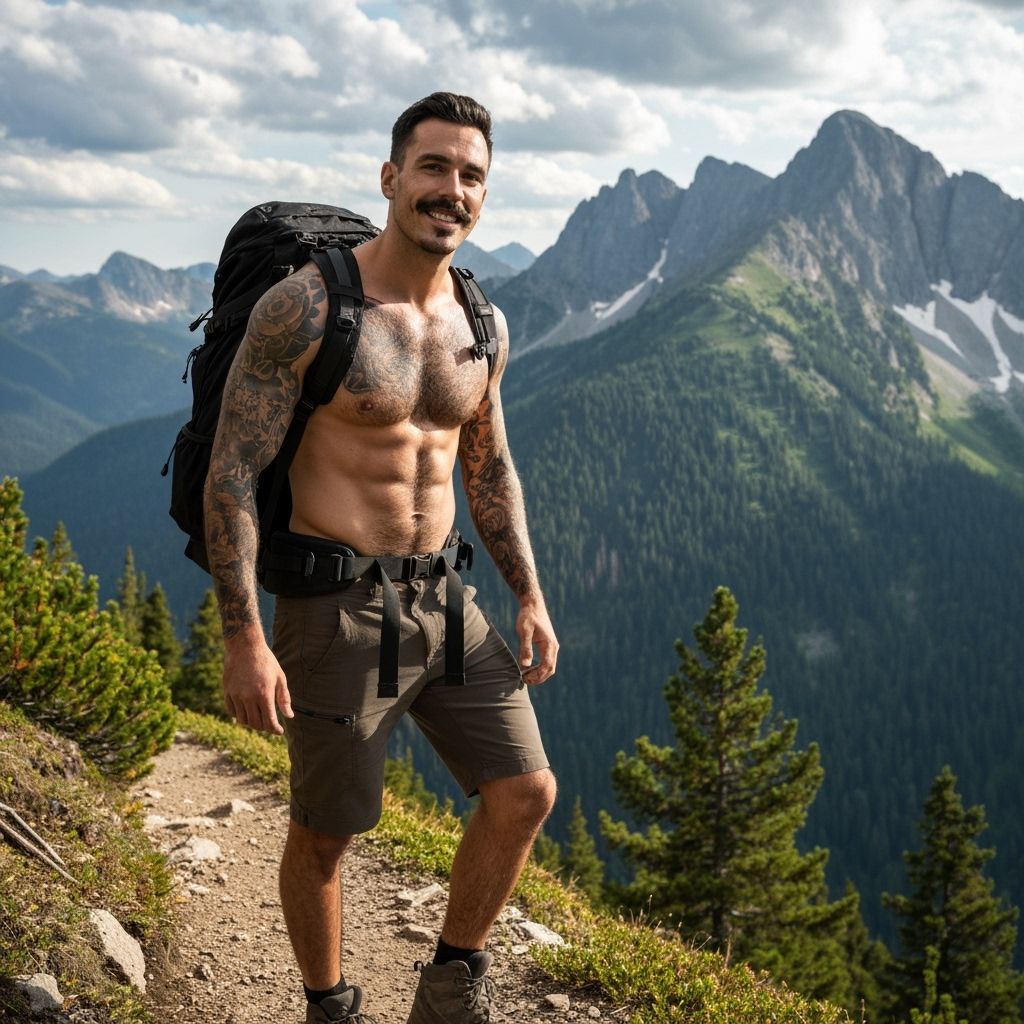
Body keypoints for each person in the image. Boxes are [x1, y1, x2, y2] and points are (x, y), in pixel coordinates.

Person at [203, 92, 558, 1024]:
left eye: (471, 174)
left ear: (486, 193)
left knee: (524, 792)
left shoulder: (481, 322)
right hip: (334, 609)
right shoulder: (309, 306)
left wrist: (528, 593)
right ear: (392, 177)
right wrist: (244, 638)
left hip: (449, 598)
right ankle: (330, 1007)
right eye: (434, 168)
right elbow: (232, 473)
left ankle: (448, 988)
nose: (452, 189)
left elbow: (490, 467)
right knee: (328, 835)